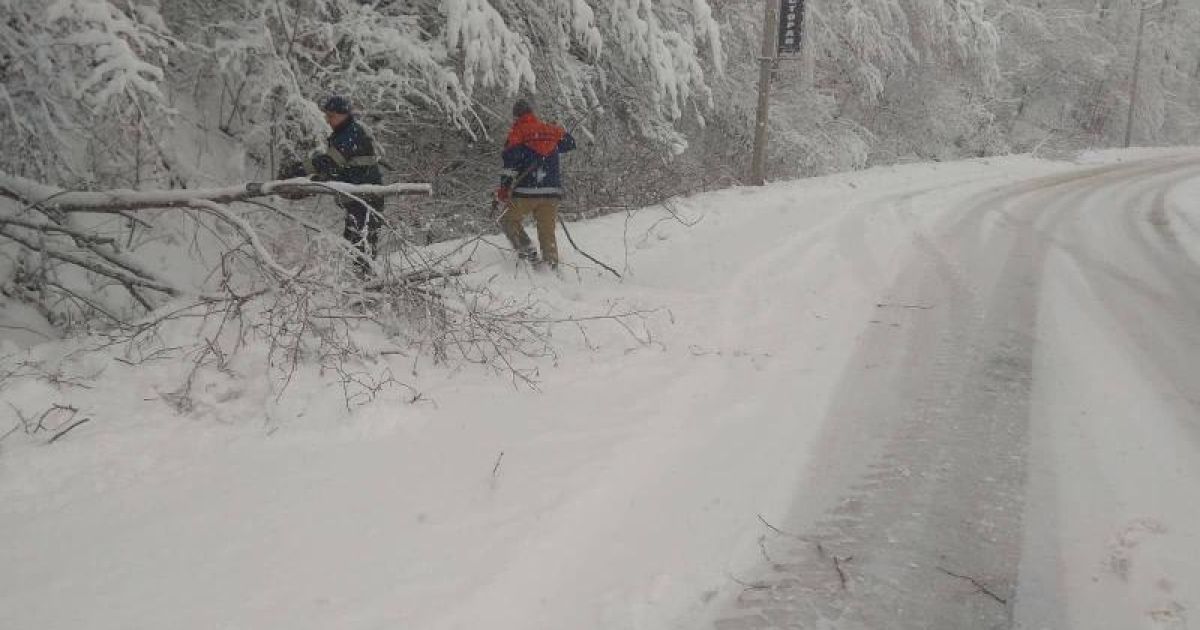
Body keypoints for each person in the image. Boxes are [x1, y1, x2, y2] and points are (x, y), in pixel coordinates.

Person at [282, 95, 384, 275]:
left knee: (361, 247)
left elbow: (330, 163)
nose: (327, 120)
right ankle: (362, 285)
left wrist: (300, 170)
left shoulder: (351, 134)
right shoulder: (345, 134)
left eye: (331, 115)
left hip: (365, 199)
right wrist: (308, 184)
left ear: (343, 114)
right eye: (326, 115)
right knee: (353, 244)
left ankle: (368, 287)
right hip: (357, 199)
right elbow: (338, 169)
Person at [496, 98, 576, 268]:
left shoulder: (517, 133)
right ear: (532, 113)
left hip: (526, 191)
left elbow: (510, 164)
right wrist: (555, 131)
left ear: (516, 116)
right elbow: (570, 143)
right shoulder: (551, 130)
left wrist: (504, 188)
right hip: (551, 192)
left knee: (508, 220)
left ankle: (528, 252)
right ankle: (551, 265)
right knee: (547, 231)